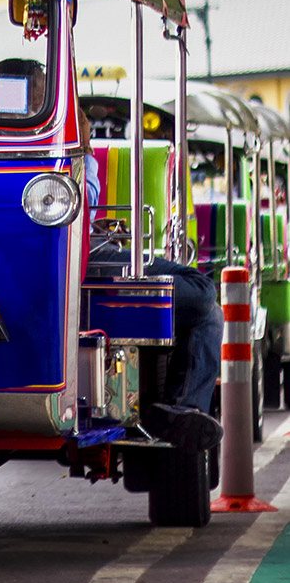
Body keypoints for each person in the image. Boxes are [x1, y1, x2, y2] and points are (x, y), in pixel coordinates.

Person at [80, 120, 224, 451]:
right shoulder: (51, 144)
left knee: (210, 309)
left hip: (93, 246)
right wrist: (86, 149)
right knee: (204, 296)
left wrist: (97, 226)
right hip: (84, 258)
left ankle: (182, 408)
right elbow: (81, 198)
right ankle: (183, 407)